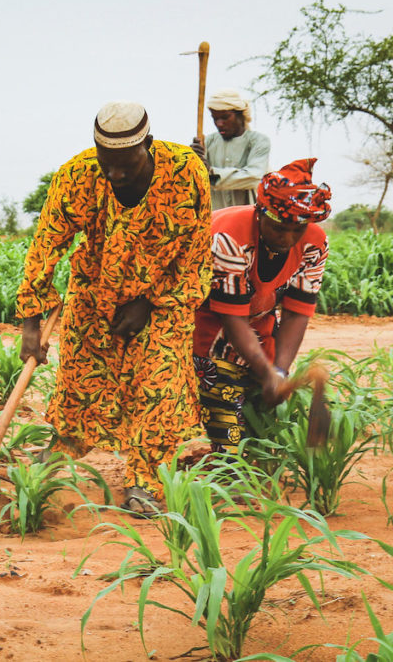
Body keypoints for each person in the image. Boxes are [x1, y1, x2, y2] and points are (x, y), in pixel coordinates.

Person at [17, 101, 212, 516]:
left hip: (165, 295)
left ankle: (144, 481)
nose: (115, 174)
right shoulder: (77, 175)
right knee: (81, 377)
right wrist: (30, 323)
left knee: (157, 383)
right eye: (107, 163)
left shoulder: (186, 173)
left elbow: (194, 254)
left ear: (149, 146)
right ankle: (62, 452)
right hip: (96, 288)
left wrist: (150, 300)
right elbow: (46, 246)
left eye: (126, 164)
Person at [193, 159, 330, 453]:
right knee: (223, 395)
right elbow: (231, 317)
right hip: (206, 320)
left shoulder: (314, 244)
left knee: (260, 408)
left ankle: (249, 459)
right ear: (260, 212)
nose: (287, 238)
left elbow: (296, 311)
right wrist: (266, 372)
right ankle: (225, 468)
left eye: (298, 229)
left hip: (259, 324)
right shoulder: (229, 237)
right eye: (279, 227)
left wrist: (278, 371)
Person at [190, 88, 271, 209]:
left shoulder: (258, 141)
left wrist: (211, 173)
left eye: (225, 117)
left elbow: (254, 177)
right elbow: (194, 180)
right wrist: (192, 157)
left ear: (240, 115)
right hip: (215, 217)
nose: (219, 124)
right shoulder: (207, 142)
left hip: (248, 215)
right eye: (215, 119)